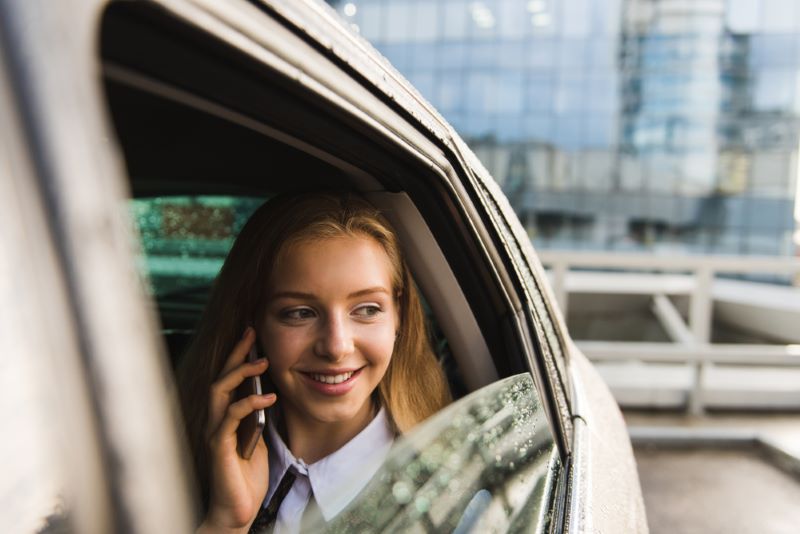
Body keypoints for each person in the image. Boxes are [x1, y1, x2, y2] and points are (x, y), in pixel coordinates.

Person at [176, 192, 452, 533]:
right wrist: (226, 524)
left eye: (367, 309)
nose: (336, 347)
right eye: (300, 313)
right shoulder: (173, 468)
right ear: (253, 321)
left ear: (398, 315)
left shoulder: (451, 493)